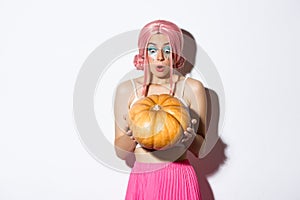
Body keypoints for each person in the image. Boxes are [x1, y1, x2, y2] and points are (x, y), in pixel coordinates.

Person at [113, 19, 207, 200]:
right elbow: (120, 152)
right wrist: (131, 135)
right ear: (143, 53)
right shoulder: (126, 90)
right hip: (144, 179)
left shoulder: (193, 88)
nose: (160, 57)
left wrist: (189, 138)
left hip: (179, 177)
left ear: (177, 53)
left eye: (167, 50)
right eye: (152, 50)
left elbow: (201, 150)